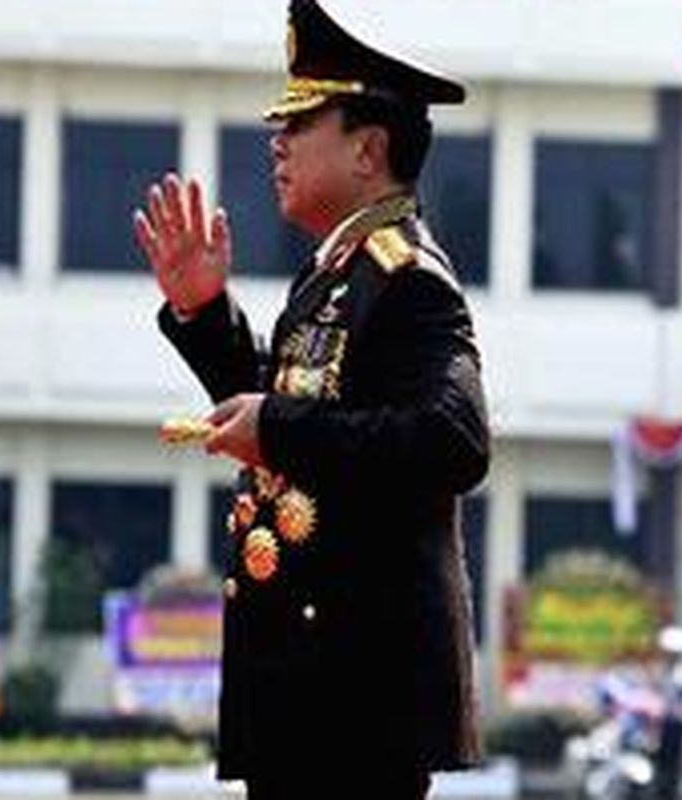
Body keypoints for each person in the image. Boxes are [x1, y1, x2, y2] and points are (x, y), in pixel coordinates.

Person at [132, 1, 489, 797]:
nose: (277, 142)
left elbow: (453, 440)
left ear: (369, 148)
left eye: (302, 123)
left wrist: (281, 429)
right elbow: (288, 407)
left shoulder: (409, 280)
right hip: (310, 689)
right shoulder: (334, 273)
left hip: (359, 694)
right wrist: (203, 312)